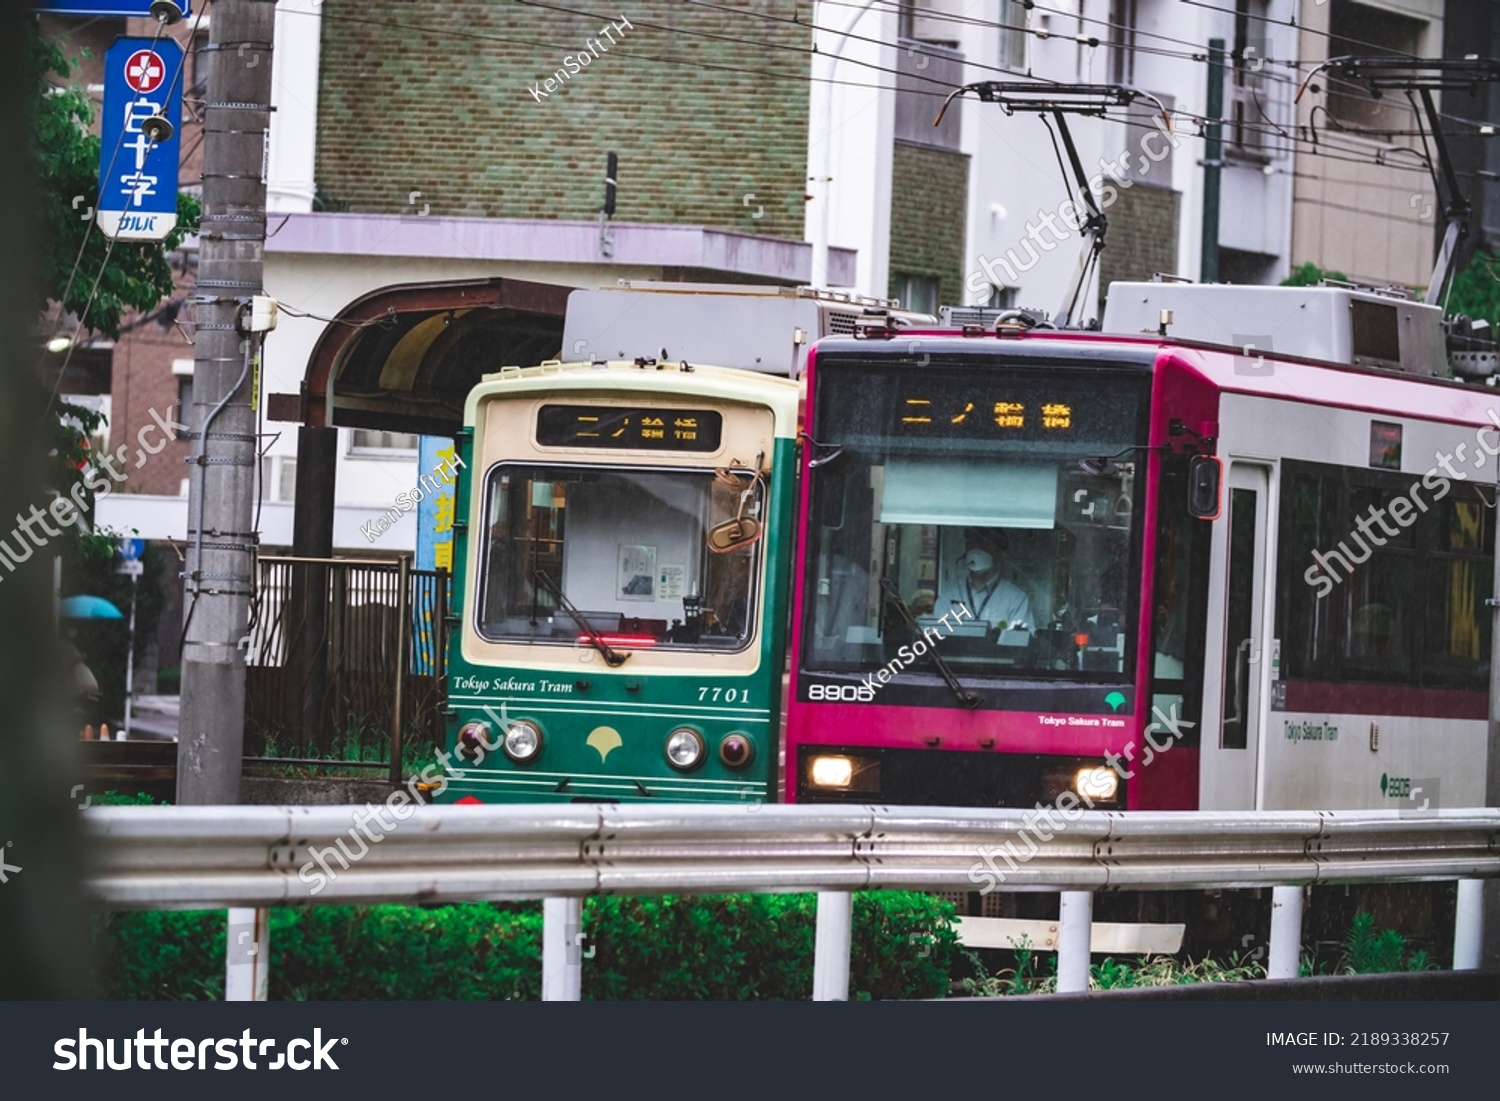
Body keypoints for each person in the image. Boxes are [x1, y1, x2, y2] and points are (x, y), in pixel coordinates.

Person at [935, 527, 1034, 633]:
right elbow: (938, 638)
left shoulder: (1015, 599)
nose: (978, 551)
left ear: (999, 552)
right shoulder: (948, 597)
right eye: (972, 545)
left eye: (985, 545)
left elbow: (1021, 641)